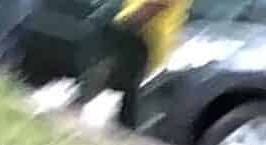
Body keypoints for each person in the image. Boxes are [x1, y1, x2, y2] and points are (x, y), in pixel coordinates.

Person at [71, 0, 190, 131]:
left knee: (109, 79)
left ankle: (79, 115)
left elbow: (154, 5)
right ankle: (121, 133)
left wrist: (124, 25)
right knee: (125, 92)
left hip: (141, 36)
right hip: (142, 36)